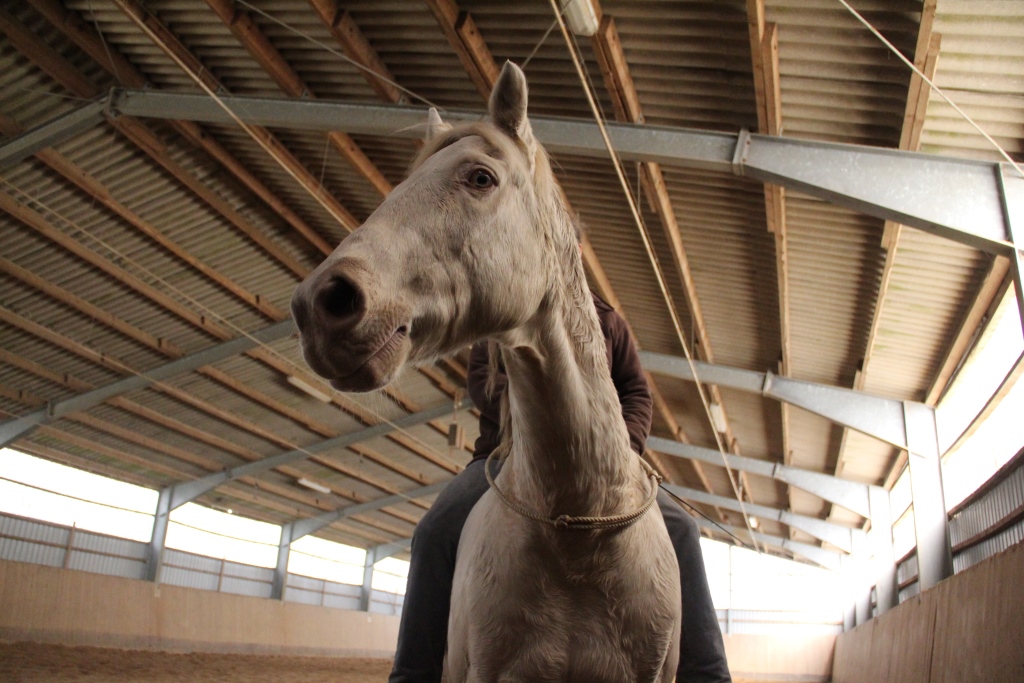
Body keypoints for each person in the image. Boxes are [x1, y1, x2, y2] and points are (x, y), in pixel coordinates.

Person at [388, 292, 732, 683]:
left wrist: (622, 448)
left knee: (683, 530)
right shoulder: (503, 317)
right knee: (434, 531)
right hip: (506, 454)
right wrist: (549, 408)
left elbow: (637, 394)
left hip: (608, 464)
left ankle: (707, 672)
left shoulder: (607, 320)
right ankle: (412, 674)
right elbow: (483, 384)